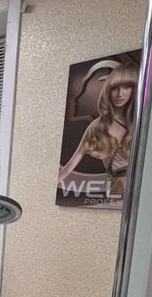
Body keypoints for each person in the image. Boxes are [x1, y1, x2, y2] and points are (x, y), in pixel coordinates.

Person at [58, 62, 139, 201]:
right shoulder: (97, 126)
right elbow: (71, 164)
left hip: (143, 190)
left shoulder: (139, 122)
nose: (120, 93)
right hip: (118, 192)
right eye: (115, 88)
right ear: (108, 90)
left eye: (127, 87)